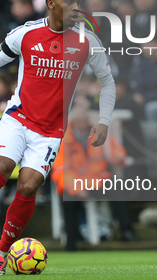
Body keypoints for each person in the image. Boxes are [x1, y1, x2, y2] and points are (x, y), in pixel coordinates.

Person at [0, 0, 115, 275]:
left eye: (78, 0)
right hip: (18, 117)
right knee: (0, 166)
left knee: (28, 185)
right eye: (69, 1)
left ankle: (0, 253)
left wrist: (103, 121)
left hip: (50, 131)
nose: (76, 7)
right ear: (51, 4)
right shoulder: (26, 34)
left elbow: (108, 82)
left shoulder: (87, 40)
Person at [51, 107, 134, 251]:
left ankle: (126, 230)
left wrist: (120, 156)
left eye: (84, 120)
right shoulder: (63, 138)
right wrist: (77, 188)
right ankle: (72, 240)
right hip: (74, 183)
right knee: (67, 199)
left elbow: (114, 149)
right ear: (73, 122)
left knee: (117, 189)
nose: (83, 124)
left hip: (98, 180)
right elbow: (60, 168)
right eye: (79, 121)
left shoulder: (99, 134)